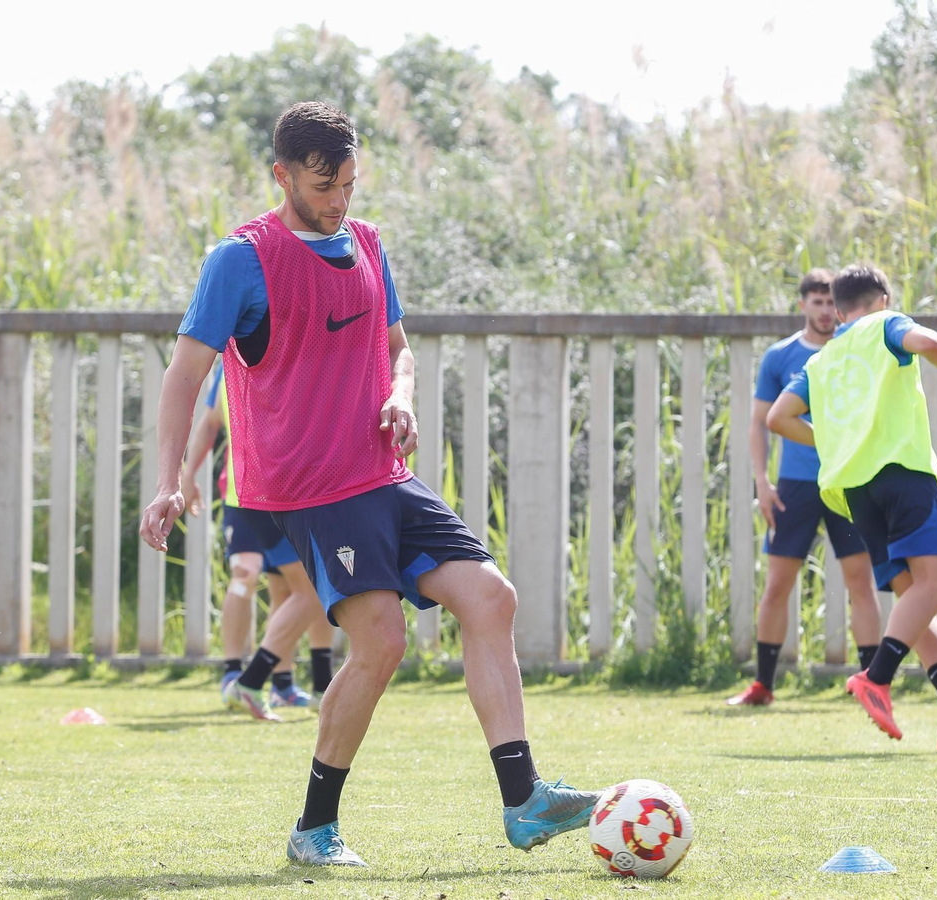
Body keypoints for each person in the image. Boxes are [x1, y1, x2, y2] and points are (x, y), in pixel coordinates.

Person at [141, 101, 601, 867]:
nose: (340, 201)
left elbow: (400, 350)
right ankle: (314, 829)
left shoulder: (368, 244)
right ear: (282, 174)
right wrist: (168, 481)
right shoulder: (240, 259)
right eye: (324, 186)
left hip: (381, 471)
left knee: (492, 598)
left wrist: (401, 396)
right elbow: (185, 374)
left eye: (350, 184)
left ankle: (522, 802)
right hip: (310, 485)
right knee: (382, 640)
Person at [768, 264, 937, 751]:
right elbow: (927, 343)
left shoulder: (820, 361)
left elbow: (779, 417)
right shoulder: (886, 324)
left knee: (914, 600)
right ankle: (876, 678)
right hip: (903, 475)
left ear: (837, 312)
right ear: (884, 297)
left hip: (857, 494)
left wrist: (839, 440)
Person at [728, 269, 882, 707]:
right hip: (794, 486)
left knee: (860, 581)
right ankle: (763, 685)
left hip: (848, 480)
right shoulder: (780, 357)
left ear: (841, 307)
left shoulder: (855, 351)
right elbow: (760, 423)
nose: (824, 310)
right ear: (803, 306)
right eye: (815, 301)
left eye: (830, 302)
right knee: (778, 583)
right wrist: (762, 482)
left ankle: (872, 683)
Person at [181, 362, 335, 712]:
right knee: (253, 577)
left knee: (295, 588)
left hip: (284, 497)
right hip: (251, 498)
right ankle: (239, 676)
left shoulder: (292, 359)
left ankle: (289, 683)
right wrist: (188, 474)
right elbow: (211, 422)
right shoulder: (229, 367)